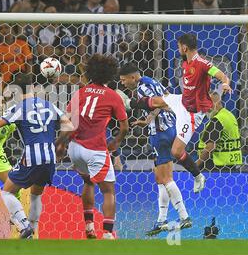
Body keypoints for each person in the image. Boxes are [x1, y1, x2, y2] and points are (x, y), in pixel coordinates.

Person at [130, 33, 232, 193]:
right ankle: (129, 103)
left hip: (193, 112)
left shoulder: (202, 63)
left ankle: (198, 176)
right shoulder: (186, 63)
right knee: (158, 100)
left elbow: (222, 75)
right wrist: (150, 117)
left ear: (184, 47)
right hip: (183, 100)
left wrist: (225, 84)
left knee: (176, 151)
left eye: (178, 46)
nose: (178, 49)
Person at [0, 73, 74, 238]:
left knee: (6, 191)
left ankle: (24, 225)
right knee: (36, 194)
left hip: (31, 156)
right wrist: (57, 143)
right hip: (49, 157)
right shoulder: (49, 105)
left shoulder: (19, 107)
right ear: (33, 89)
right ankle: (32, 233)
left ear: (15, 92)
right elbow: (70, 126)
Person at [56, 54, 129, 240]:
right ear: (110, 74)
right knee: (108, 191)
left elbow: (68, 122)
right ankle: (107, 233)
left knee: (88, 182)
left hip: (75, 147)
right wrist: (116, 142)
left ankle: (89, 227)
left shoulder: (80, 92)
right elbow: (125, 127)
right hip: (95, 149)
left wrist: (61, 144)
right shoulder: (113, 96)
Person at [119, 63, 192, 237]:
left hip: (161, 133)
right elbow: (162, 101)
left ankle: (184, 216)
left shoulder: (142, 87)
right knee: (160, 177)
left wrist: (145, 113)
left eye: (123, 80)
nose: (122, 84)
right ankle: (162, 220)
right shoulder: (152, 82)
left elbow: (160, 104)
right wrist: (148, 118)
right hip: (167, 128)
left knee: (165, 178)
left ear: (133, 77)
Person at [196, 91, 242, 171]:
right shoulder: (229, 115)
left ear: (213, 104)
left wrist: (196, 166)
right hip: (230, 165)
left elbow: (209, 148)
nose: (205, 109)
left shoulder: (217, 120)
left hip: (216, 167)